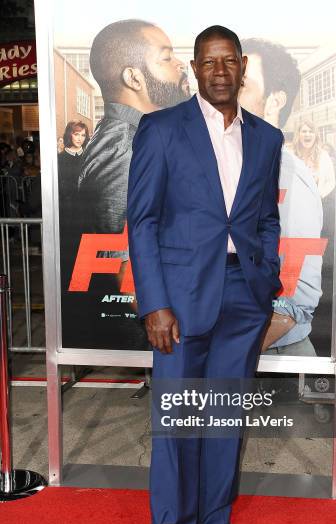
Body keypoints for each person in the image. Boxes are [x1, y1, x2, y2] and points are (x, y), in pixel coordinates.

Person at [128, 25, 283, 524]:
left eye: (228, 61)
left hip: (244, 297)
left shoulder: (266, 138)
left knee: (224, 417)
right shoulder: (161, 129)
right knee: (177, 421)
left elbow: (266, 216)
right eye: (208, 62)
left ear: (241, 66)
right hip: (180, 300)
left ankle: (216, 519)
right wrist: (155, 303)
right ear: (195, 69)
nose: (219, 71)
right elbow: (142, 221)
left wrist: (265, 279)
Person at [62, 19, 190, 350]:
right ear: (133, 77)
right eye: (165, 57)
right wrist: (164, 320)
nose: (179, 65)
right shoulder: (126, 146)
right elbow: (123, 264)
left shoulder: (143, 136)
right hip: (160, 334)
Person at [239, 39, 323, 356]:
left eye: (242, 83)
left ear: (275, 99)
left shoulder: (288, 176)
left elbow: (294, 304)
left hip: (274, 359)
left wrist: (229, 359)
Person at [292, 120, 335, 199]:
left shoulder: (323, 156)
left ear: (316, 136)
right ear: (298, 135)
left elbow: (331, 181)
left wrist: (320, 195)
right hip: (294, 203)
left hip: (315, 204)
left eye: (311, 131)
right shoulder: (291, 155)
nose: (307, 134)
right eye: (304, 131)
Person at [58, 120, 89, 203]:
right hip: (66, 205)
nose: (80, 138)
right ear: (69, 135)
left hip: (85, 205)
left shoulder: (89, 158)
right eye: (76, 134)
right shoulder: (59, 158)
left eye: (83, 135)